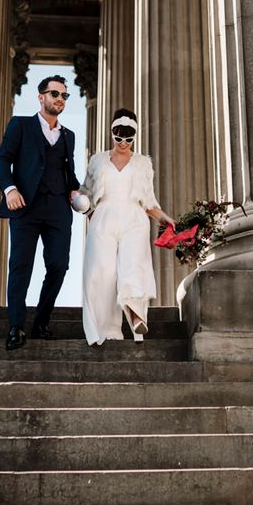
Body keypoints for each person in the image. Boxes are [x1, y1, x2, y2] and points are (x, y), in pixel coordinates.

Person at [0, 74, 81, 350]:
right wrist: (10, 190)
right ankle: (16, 327)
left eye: (64, 95)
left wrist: (75, 191)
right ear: (41, 96)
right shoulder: (21, 125)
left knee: (59, 265)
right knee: (21, 266)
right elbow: (3, 160)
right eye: (55, 94)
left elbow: (69, 173)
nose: (60, 99)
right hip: (25, 206)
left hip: (58, 209)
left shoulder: (69, 136)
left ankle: (42, 320)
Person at [80, 108, 175, 346]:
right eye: (118, 135)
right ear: (111, 132)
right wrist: (79, 201)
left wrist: (166, 219)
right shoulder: (97, 160)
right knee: (101, 273)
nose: (123, 141)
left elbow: (149, 201)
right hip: (103, 216)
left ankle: (136, 317)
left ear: (135, 135)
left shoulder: (143, 163)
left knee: (133, 265)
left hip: (134, 217)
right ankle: (107, 330)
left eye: (128, 136)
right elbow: (85, 191)